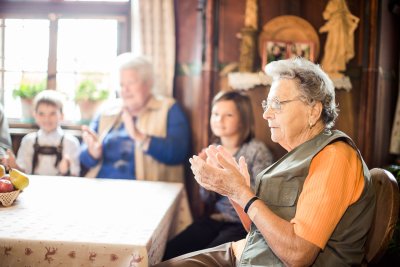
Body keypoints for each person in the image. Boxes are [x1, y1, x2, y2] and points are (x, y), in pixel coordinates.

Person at [154, 57, 376, 266]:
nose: (266, 114)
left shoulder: (334, 157)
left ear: (313, 111)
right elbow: (257, 230)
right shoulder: (298, 155)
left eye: (277, 104)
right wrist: (232, 190)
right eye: (267, 105)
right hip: (245, 253)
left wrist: (243, 193)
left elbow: (298, 255)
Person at [163, 91, 273, 260]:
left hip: (243, 224)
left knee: (205, 259)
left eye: (228, 115)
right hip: (216, 219)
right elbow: (207, 199)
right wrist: (203, 176)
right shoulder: (212, 149)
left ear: (243, 119)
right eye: (215, 114)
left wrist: (228, 180)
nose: (219, 120)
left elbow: (263, 197)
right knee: (172, 251)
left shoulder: (257, 150)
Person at [80, 53, 190, 182]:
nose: (125, 90)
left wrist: (139, 137)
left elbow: (179, 153)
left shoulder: (168, 108)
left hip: (150, 193)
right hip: (103, 187)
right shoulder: (106, 111)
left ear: (148, 83)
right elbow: (83, 157)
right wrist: (92, 153)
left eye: (130, 83)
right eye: (121, 85)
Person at [3, 90, 80, 176]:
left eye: (52, 113)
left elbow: (75, 175)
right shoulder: (28, 141)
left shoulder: (71, 142)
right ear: (35, 115)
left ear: (62, 115)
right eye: (41, 114)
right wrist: (14, 166)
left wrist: (66, 170)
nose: (47, 118)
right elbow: (22, 173)